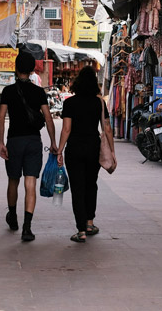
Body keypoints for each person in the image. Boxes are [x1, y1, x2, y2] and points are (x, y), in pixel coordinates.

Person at [0, 51, 57, 242]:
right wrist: (54, 142)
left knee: (13, 180)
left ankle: (13, 216)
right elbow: (48, 118)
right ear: (32, 70)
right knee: (30, 182)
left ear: (16, 68)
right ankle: (27, 228)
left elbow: (0, 118)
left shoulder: (8, 91)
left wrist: (0, 142)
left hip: (14, 141)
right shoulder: (39, 92)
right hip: (33, 141)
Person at [56, 66, 114, 243]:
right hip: (93, 148)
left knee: (78, 188)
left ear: (78, 83)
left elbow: (66, 129)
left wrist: (59, 150)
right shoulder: (99, 103)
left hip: (74, 148)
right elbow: (107, 129)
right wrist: (112, 151)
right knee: (91, 185)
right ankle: (90, 222)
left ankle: (80, 230)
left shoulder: (70, 103)